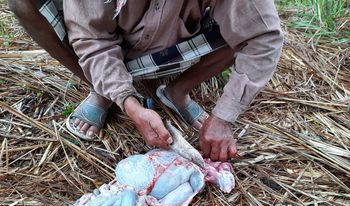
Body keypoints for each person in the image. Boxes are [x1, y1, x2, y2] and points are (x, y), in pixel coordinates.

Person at [8, 0, 283, 162]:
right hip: (113, 35)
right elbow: (92, 38)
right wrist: (130, 104)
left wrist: (224, 116)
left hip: (179, 37)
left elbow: (263, 36)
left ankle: (178, 91)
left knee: (244, 27)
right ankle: (103, 90)